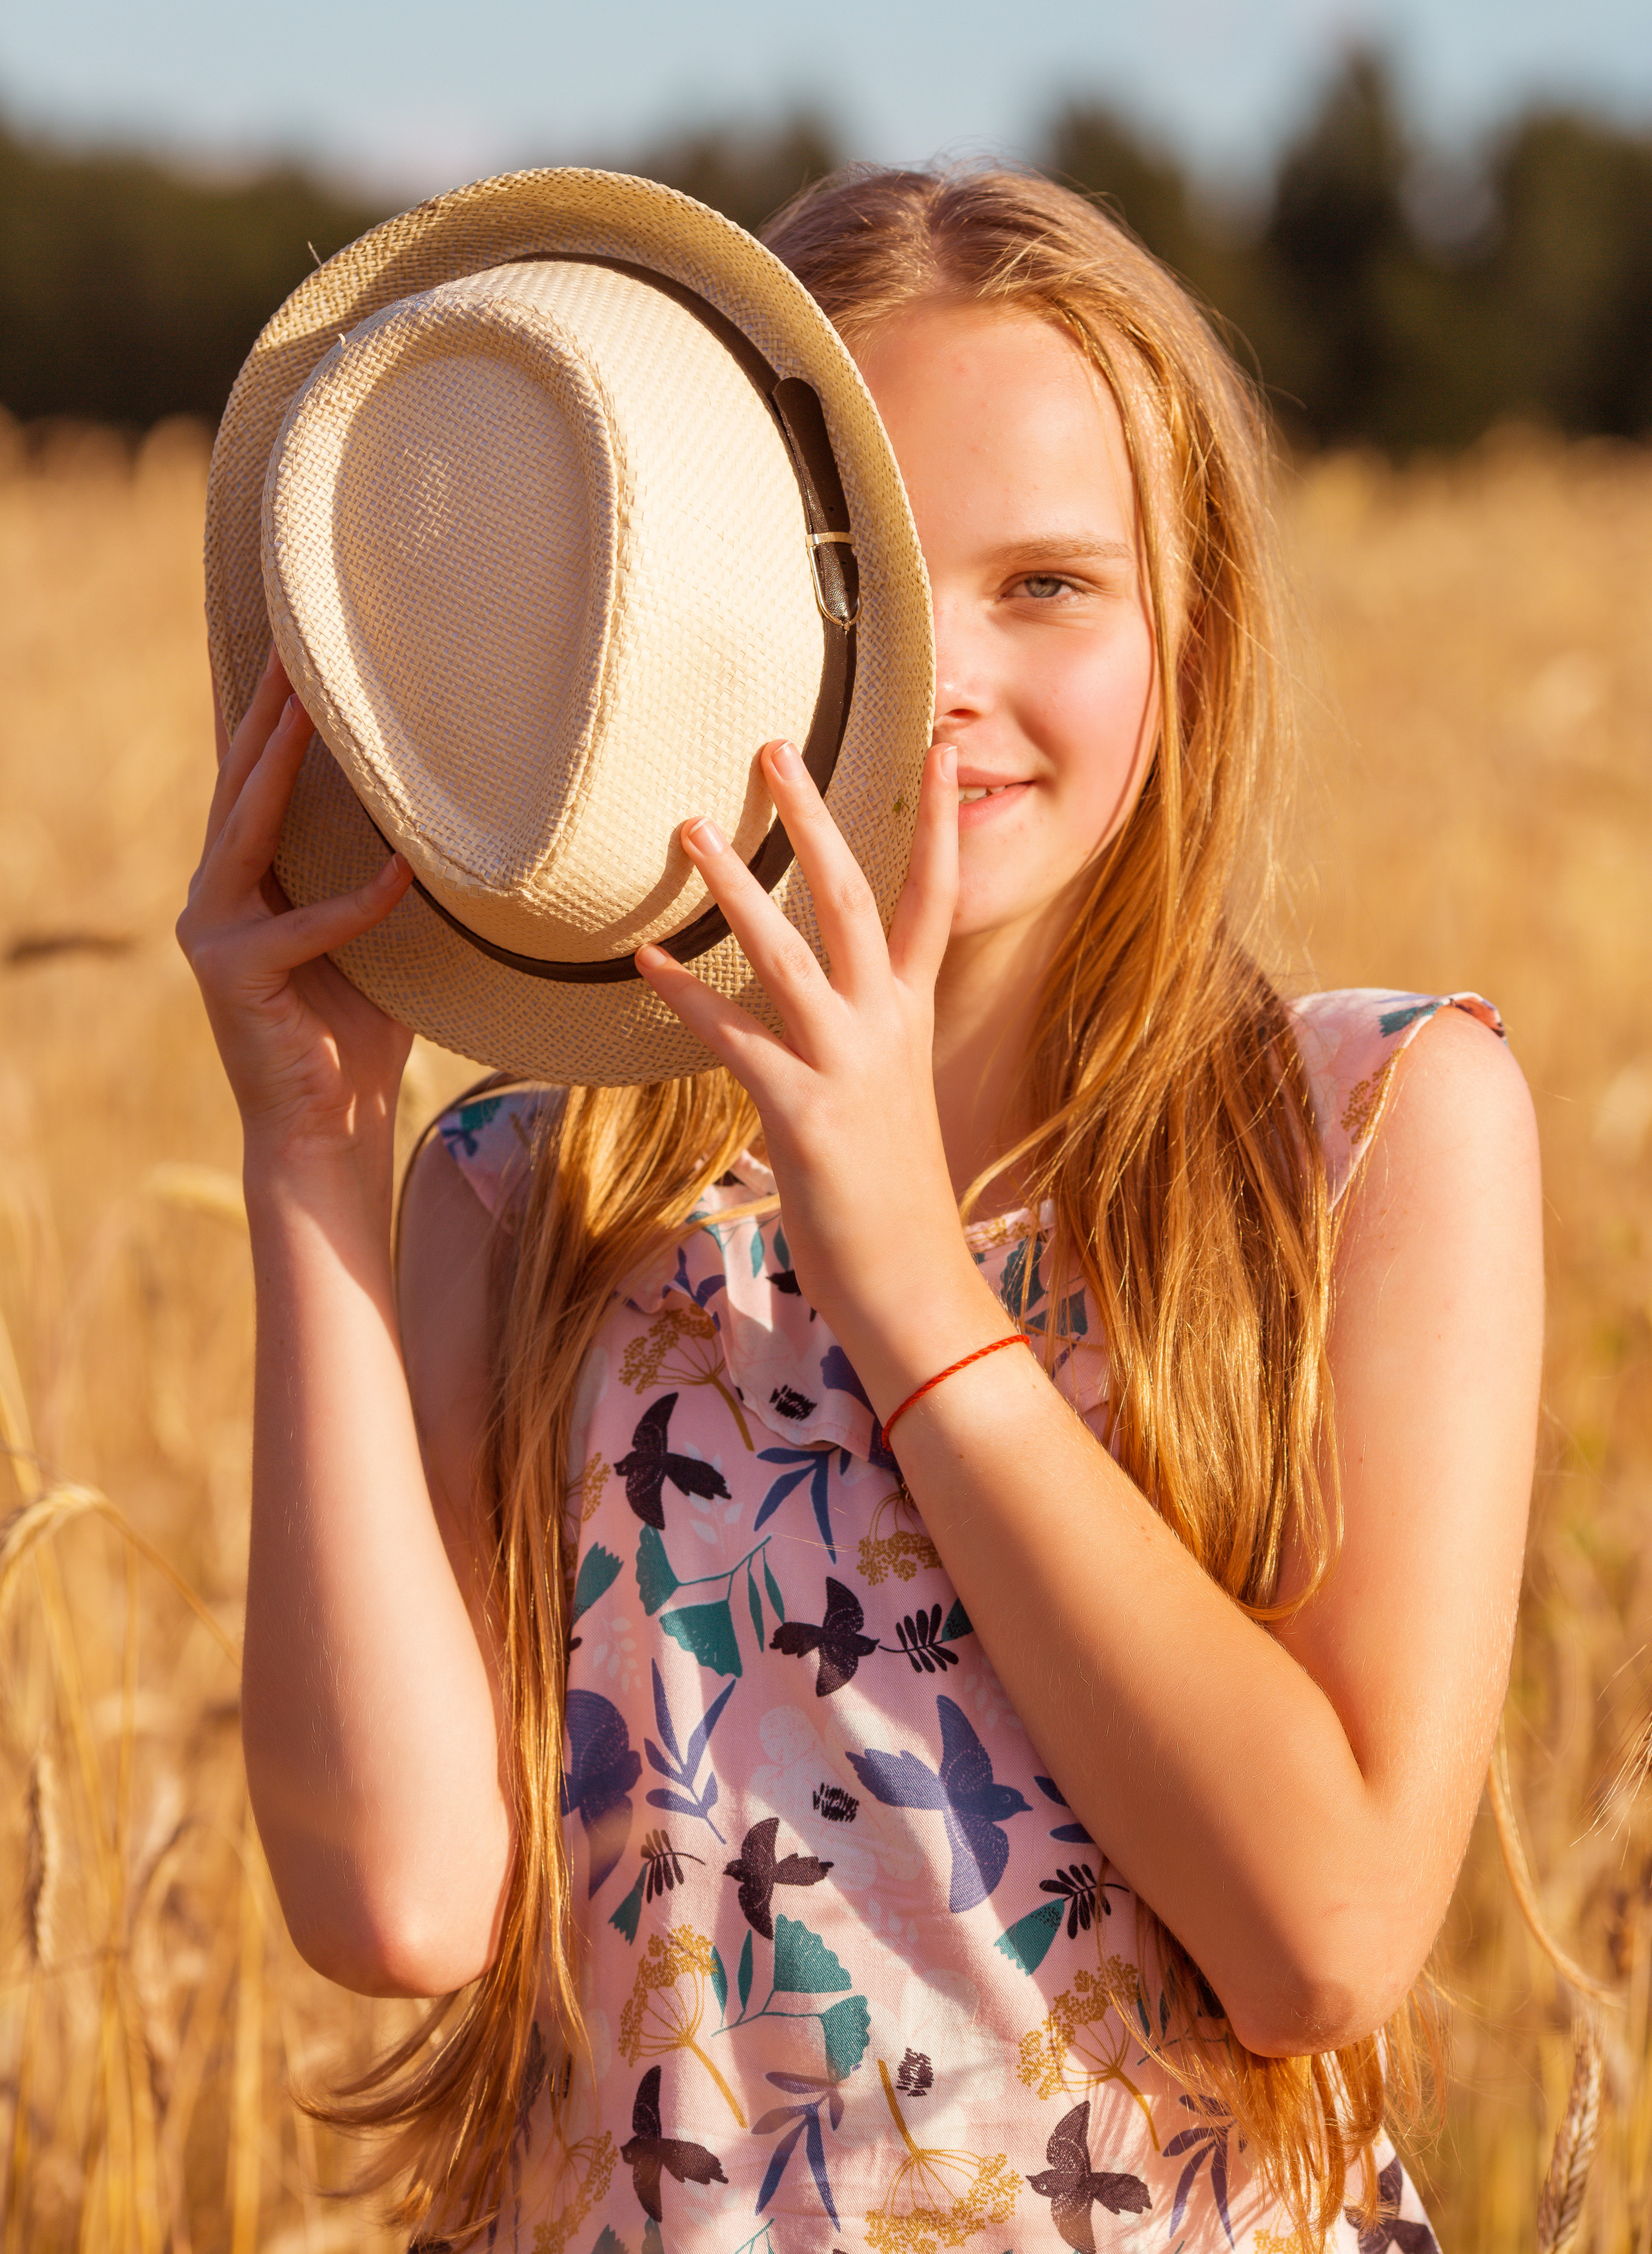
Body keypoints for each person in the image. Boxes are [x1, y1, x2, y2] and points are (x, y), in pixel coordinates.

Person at [178, 165, 1541, 2253]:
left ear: (1195, 626)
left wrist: (903, 1272)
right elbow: (396, 1905)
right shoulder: (524, 1197)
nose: (959, 681)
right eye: (870, 584)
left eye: (1053, 586)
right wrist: (314, 1152)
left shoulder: (1369, 1133)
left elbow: (1324, 1932)